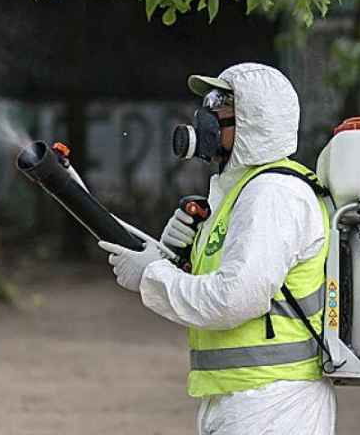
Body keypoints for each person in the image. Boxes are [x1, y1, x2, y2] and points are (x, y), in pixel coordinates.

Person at [98, 63, 335, 435]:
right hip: (246, 397)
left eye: (221, 104)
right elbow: (219, 284)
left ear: (254, 122)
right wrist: (172, 259)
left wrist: (153, 276)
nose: (206, 114)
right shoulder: (242, 192)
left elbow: (234, 299)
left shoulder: (272, 194)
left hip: (272, 402)